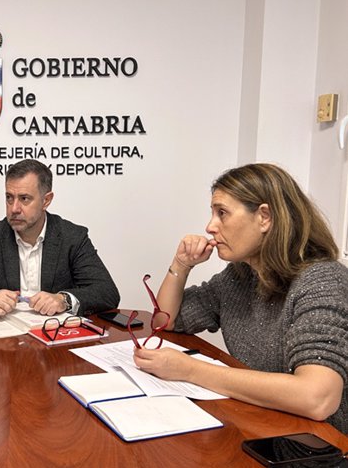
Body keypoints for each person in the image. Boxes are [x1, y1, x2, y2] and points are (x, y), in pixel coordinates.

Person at [133, 163, 348, 432]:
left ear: (265, 217)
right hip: (266, 425)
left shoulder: (322, 281)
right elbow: (166, 320)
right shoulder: (240, 275)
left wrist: (190, 369)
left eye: (222, 213)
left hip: (326, 447)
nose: (210, 226)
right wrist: (181, 264)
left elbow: (318, 398)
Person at [0, 159, 119, 317]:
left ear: (46, 200)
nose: (14, 208)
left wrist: (63, 299)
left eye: (24, 198)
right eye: (9, 198)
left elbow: (107, 292)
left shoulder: (72, 237)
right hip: (5, 343)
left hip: (56, 340)